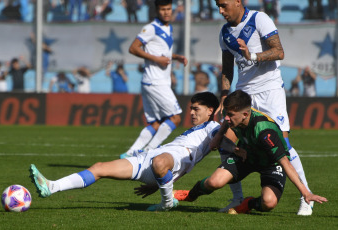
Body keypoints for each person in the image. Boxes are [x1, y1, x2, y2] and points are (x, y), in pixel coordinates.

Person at [30, 92, 221, 211]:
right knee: (99, 167)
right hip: (150, 159)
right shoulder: (193, 130)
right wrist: (158, 184)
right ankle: (52, 187)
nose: (192, 113)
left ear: (210, 110)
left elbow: (224, 137)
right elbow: (178, 169)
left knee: (160, 162)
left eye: (196, 109)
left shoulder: (213, 127)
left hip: (165, 160)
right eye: (191, 109)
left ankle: (167, 203)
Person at [214, 0, 314, 215]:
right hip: (243, 94)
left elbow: (279, 52)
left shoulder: (260, 19)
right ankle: (237, 198)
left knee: (283, 144)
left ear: (237, 2)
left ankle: (306, 198)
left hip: (269, 91)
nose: (221, 11)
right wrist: (223, 96)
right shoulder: (224, 32)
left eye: (223, 5)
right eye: (217, 6)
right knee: (225, 142)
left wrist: (253, 56)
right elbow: (227, 68)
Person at [174, 90, 328, 215]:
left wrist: (305, 193)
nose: (226, 119)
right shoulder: (236, 114)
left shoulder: (265, 132)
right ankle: (191, 195)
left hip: (270, 164)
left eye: (230, 115)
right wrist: (219, 137)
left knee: (269, 203)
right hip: (246, 156)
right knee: (214, 182)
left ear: (245, 115)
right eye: (225, 114)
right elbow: (226, 122)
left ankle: (248, 203)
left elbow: (285, 163)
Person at [120, 0, 188, 158]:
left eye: (169, 9)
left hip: (154, 82)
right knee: (176, 118)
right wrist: (156, 59)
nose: (166, 12)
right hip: (155, 81)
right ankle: (148, 151)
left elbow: (162, 51)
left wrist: (175, 56)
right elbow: (133, 48)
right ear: (157, 11)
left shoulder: (168, 27)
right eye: (163, 9)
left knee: (156, 123)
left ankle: (130, 153)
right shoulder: (151, 28)